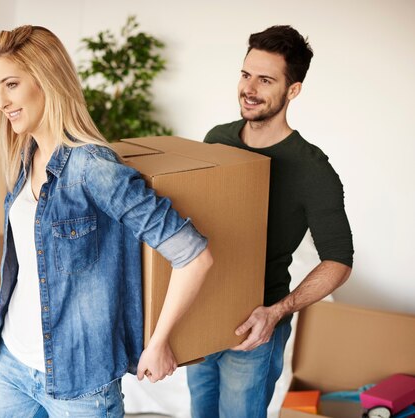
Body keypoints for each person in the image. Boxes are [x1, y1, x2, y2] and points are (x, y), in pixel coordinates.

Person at [0, 25, 214, 418]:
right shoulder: (24, 156)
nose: (0, 101)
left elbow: (193, 255)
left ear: (47, 79)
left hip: (80, 382)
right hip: (11, 363)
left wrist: (158, 342)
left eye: (10, 84)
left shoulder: (93, 168)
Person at [187, 25, 354, 418]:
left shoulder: (312, 169)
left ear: (292, 90)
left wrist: (277, 312)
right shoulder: (217, 140)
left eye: (265, 80)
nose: (249, 88)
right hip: (203, 313)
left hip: (256, 327)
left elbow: (339, 260)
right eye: (246, 75)